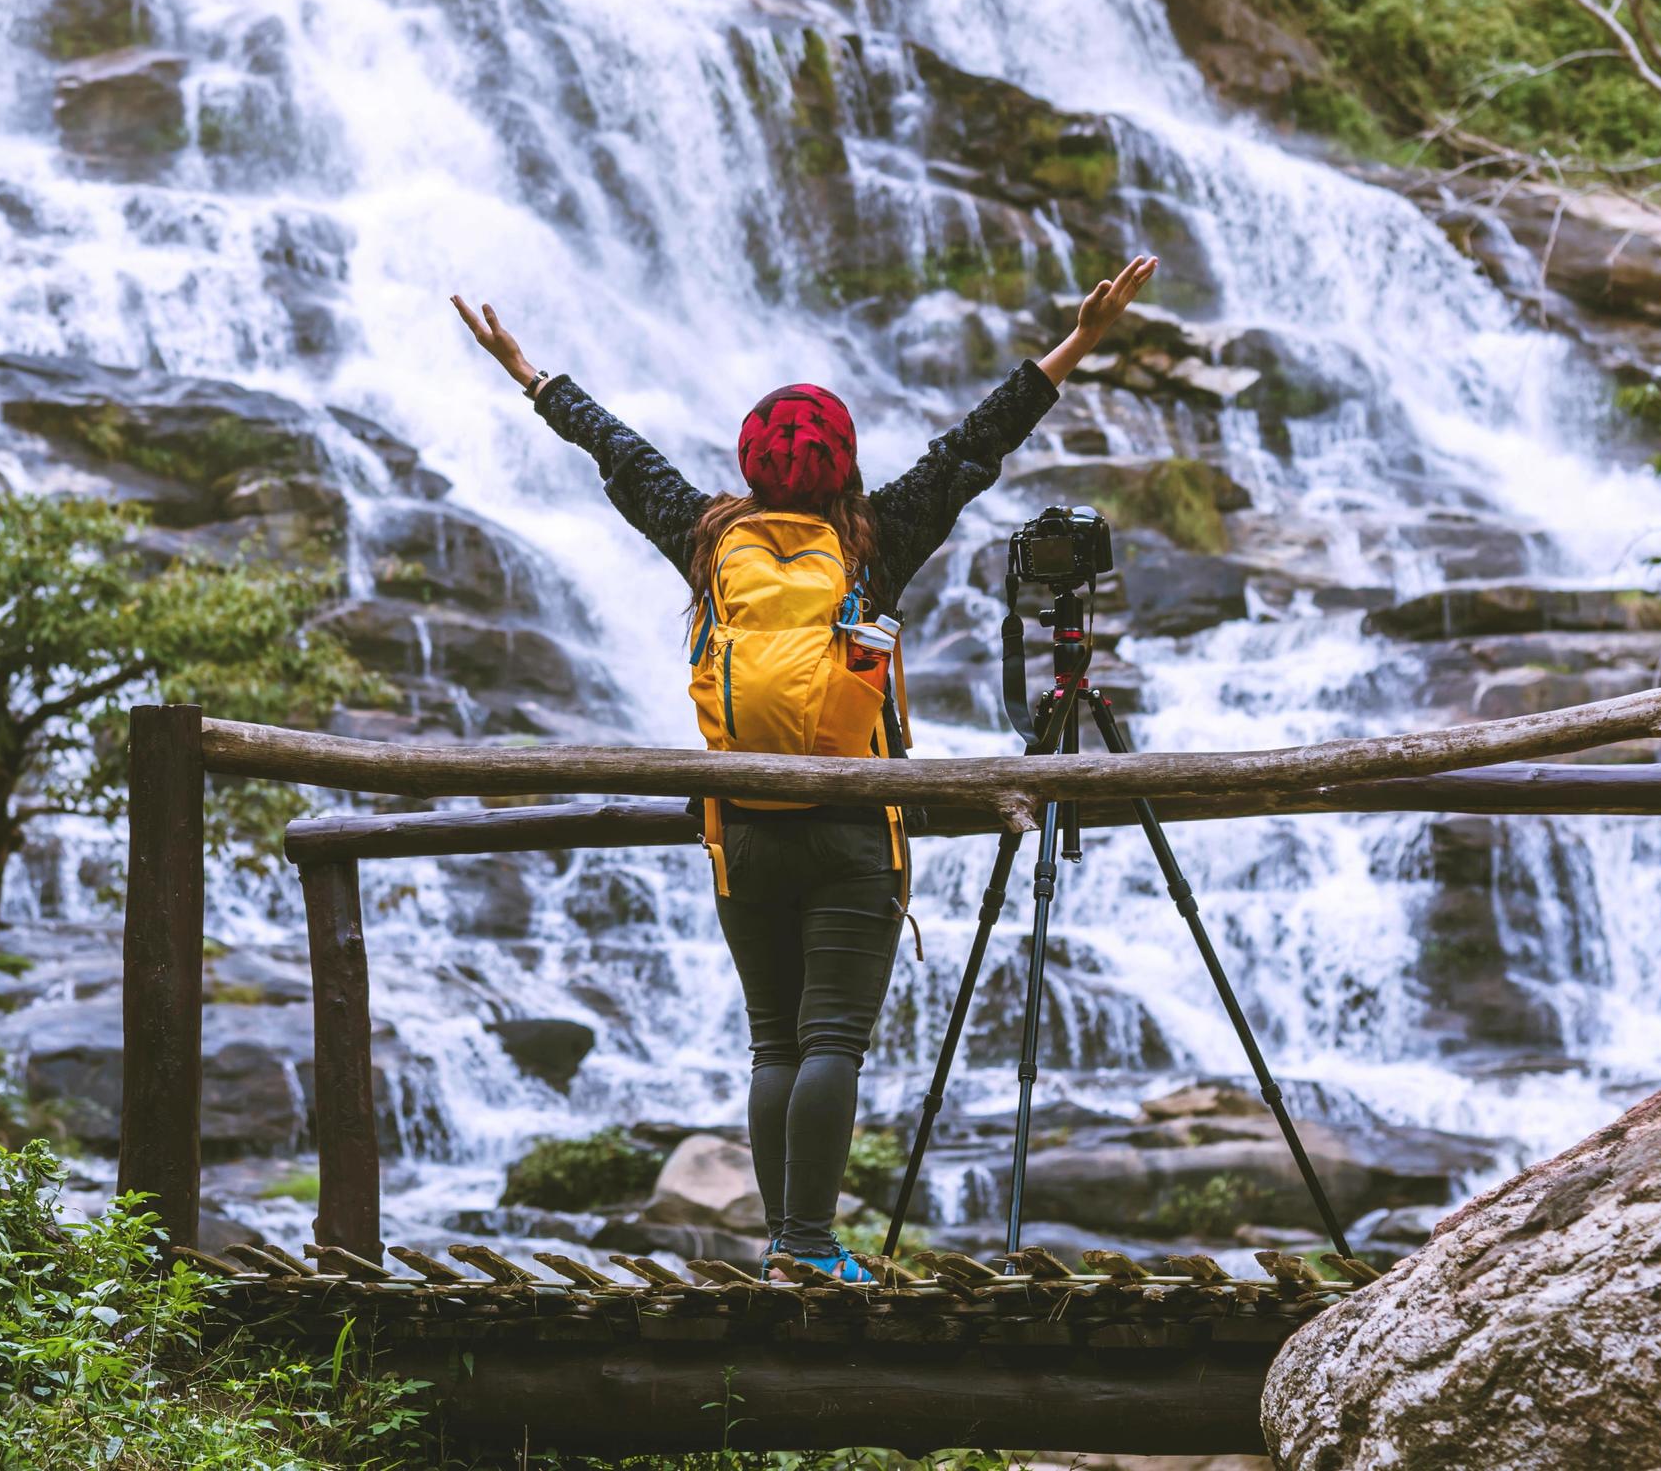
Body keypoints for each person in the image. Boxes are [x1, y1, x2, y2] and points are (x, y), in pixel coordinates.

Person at [451, 255, 1160, 1279]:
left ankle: (783, 1244)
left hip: (739, 826)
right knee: (832, 1038)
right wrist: (1080, 341)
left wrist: (528, 372)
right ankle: (806, 1247)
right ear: (844, 464)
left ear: (749, 465)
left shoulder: (707, 535)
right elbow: (976, 445)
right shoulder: (872, 537)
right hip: (849, 822)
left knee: (772, 1043)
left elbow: (619, 452)